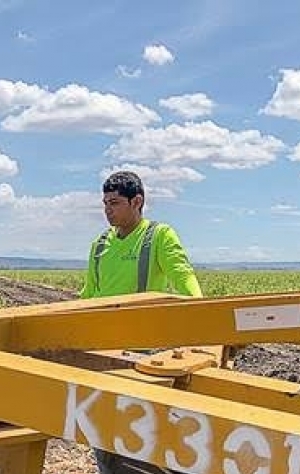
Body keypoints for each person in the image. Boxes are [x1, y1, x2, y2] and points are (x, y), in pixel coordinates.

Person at [80, 171, 202, 474]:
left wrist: (203, 320)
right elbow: (88, 296)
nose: (108, 209)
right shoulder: (99, 245)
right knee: (105, 432)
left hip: (147, 355)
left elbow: (184, 279)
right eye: (105, 203)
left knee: (146, 434)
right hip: (106, 352)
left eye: (116, 203)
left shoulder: (157, 237)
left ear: (138, 202)